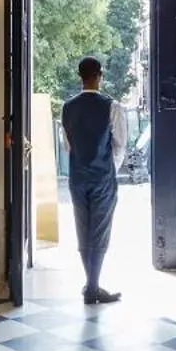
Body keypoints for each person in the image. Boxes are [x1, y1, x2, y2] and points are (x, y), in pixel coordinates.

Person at [59, 56, 128, 306]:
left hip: (77, 177)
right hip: (102, 177)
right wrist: (108, 168)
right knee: (99, 231)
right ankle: (93, 287)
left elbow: (68, 145)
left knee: (83, 229)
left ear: (80, 77)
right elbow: (120, 146)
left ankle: (91, 284)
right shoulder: (113, 107)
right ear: (100, 75)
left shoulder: (67, 107)